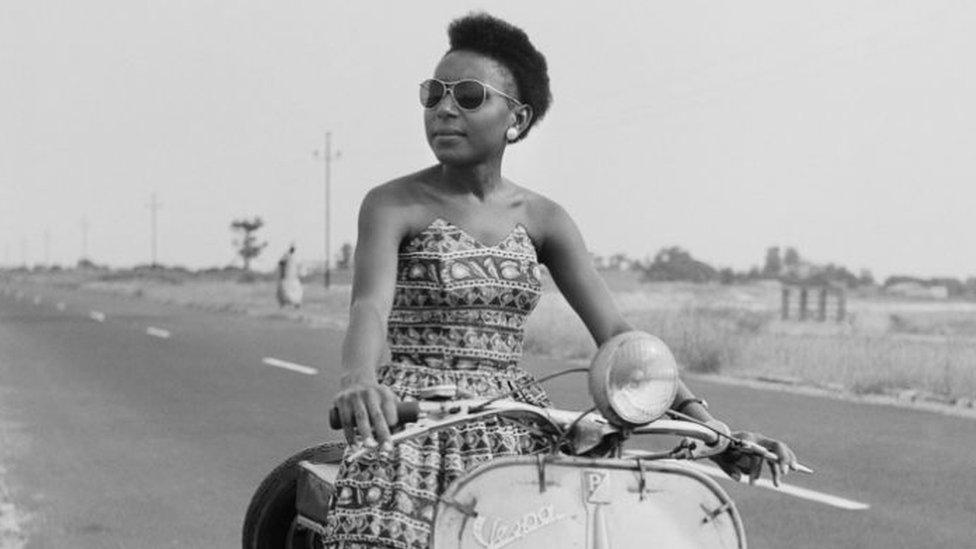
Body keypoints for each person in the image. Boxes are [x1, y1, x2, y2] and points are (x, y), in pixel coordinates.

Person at [327, 12, 797, 548]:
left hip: (509, 422)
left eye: (468, 95)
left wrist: (713, 429)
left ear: (517, 119)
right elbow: (368, 305)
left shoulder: (545, 218)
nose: (444, 108)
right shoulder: (392, 203)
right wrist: (360, 382)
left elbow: (619, 336)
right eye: (433, 94)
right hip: (412, 420)